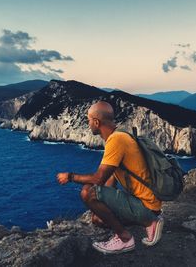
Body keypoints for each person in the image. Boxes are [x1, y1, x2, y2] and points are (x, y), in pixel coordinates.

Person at [56, 101, 164, 254]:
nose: (88, 124)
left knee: (88, 192)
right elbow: (111, 178)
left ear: (96, 122)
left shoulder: (116, 140)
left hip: (146, 207)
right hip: (146, 204)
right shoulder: (119, 135)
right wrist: (102, 205)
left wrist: (70, 176)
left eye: (88, 120)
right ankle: (150, 221)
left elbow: (98, 179)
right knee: (98, 219)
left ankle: (126, 238)